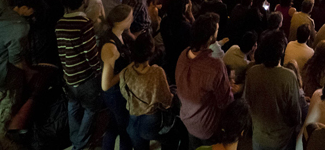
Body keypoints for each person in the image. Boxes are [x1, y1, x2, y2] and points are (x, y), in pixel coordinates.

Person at [0, 0, 42, 147]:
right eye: (33, 9)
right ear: (25, 7)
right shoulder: (19, 27)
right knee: (4, 109)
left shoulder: (3, 15)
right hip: (4, 77)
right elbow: (16, 59)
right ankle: (5, 140)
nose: (34, 13)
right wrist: (29, 73)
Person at [175, 14, 234, 148]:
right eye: (217, 31)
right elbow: (225, 101)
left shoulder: (183, 54)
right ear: (210, 38)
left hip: (187, 118)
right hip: (207, 126)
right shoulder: (215, 66)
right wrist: (230, 86)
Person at [56, 0, 102, 150]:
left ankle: (75, 138)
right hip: (85, 77)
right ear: (84, 1)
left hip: (69, 75)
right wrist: (98, 70)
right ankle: (80, 142)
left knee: (73, 106)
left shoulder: (61, 23)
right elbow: (90, 53)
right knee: (90, 109)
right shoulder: (84, 23)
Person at [244, 30, 301, 150]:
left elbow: (247, 102)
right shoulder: (289, 77)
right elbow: (295, 114)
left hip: (259, 135)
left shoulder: (252, 72)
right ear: (281, 51)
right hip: (280, 138)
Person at [119, 34, 173, 150]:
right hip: (151, 118)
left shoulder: (125, 73)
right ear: (151, 53)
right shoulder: (157, 72)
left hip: (132, 117)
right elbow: (166, 99)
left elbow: (124, 94)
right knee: (170, 139)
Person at [100, 5, 135, 150]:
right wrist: (128, 68)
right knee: (124, 128)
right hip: (114, 93)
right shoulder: (110, 47)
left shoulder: (120, 34)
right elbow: (106, 84)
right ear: (119, 22)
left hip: (119, 91)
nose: (132, 19)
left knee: (114, 124)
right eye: (129, 17)